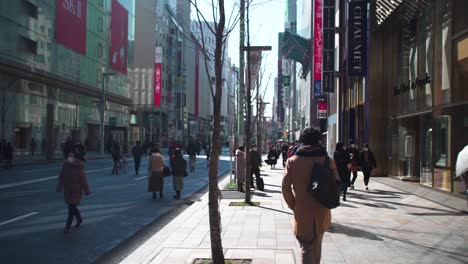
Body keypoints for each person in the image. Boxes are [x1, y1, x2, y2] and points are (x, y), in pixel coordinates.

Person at [282, 127, 340, 264]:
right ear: (318, 140)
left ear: (302, 141)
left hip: (302, 210)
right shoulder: (327, 160)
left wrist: (293, 204)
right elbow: (337, 182)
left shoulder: (292, 161)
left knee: (306, 247)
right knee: (317, 246)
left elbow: (285, 187)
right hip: (322, 208)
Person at [56, 152, 90, 234]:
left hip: (73, 190)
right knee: (72, 206)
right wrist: (86, 190)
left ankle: (67, 227)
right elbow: (83, 180)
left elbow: (62, 176)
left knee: (71, 207)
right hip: (73, 189)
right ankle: (79, 219)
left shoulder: (67, 164)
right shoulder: (78, 166)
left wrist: (59, 186)